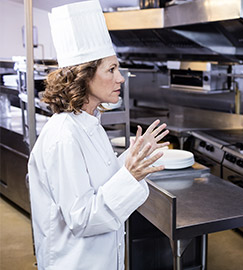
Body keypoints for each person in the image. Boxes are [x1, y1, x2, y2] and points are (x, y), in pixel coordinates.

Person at [27, 1, 169, 269]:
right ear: (84, 75)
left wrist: (135, 156)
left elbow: (99, 184)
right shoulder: (64, 136)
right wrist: (131, 175)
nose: (121, 79)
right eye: (111, 70)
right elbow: (82, 218)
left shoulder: (89, 123)